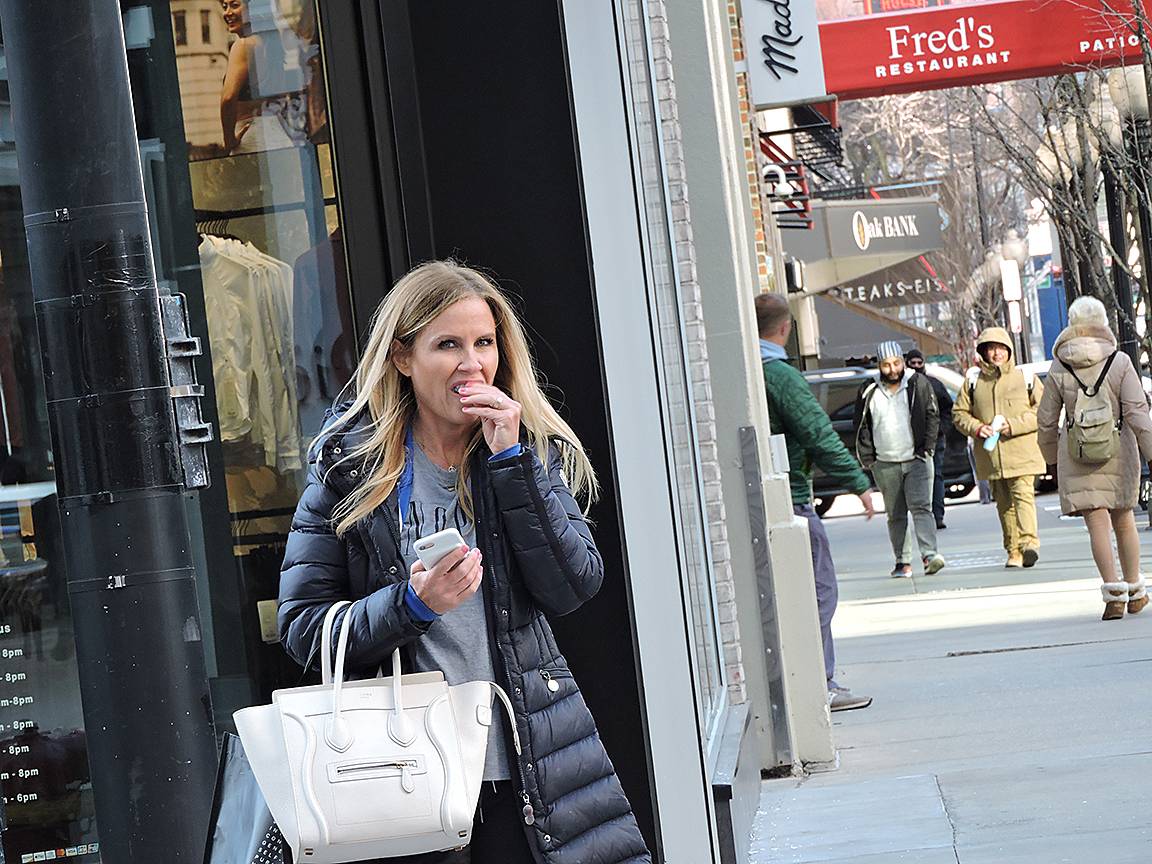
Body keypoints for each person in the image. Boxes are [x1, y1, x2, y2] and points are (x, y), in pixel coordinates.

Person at [278, 261, 652, 862]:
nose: (471, 363)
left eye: (484, 343)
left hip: (524, 765)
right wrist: (412, 605)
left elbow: (573, 584)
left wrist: (511, 461)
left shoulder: (527, 453)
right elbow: (304, 630)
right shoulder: (348, 469)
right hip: (403, 772)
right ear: (403, 357)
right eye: (448, 345)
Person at [756, 293, 874, 712]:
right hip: (792, 500)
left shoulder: (749, 371)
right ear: (785, 328)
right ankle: (820, 682)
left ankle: (809, 681)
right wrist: (858, 483)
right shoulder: (780, 376)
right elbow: (819, 434)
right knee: (818, 591)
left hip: (767, 498)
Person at [1037, 296, 1152, 621]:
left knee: (1097, 524)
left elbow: (1046, 419)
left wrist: (1051, 459)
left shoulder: (1060, 365)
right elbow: (1137, 412)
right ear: (1102, 322)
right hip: (1118, 449)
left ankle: (1113, 595)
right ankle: (1135, 592)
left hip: (1077, 454)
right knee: (1124, 520)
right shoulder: (1119, 361)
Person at [952, 327, 1046, 568]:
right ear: (983, 352)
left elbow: (1043, 411)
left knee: (1023, 496)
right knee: (1004, 504)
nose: (996, 354)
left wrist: (1013, 425)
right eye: (991, 349)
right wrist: (977, 428)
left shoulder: (1025, 377)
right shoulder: (973, 381)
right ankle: (1013, 550)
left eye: (1001, 348)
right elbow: (959, 414)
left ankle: (1029, 543)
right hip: (991, 456)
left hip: (1022, 452)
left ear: (1009, 350)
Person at [854, 341, 945, 577]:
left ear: (903, 362)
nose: (892, 369)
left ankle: (929, 555)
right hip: (884, 462)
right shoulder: (869, 388)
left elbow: (932, 415)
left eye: (896, 363)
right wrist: (868, 457)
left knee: (922, 508)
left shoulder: (918, 383)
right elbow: (861, 424)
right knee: (895, 514)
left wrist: (928, 448)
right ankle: (902, 562)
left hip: (917, 458)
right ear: (879, 365)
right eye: (886, 365)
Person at [219, 0, 309, 154]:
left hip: (252, 140)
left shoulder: (243, 45)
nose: (227, 13)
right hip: (279, 136)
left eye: (234, 5)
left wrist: (229, 140)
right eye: (225, 6)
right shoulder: (273, 47)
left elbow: (228, 98)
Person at [905, 349, 953, 529]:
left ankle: (937, 515)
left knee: (936, 475)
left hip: (934, 438)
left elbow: (948, 409)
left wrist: (941, 429)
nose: (916, 366)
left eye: (919, 363)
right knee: (915, 479)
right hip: (909, 440)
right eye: (913, 363)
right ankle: (922, 516)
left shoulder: (934, 384)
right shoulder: (903, 387)